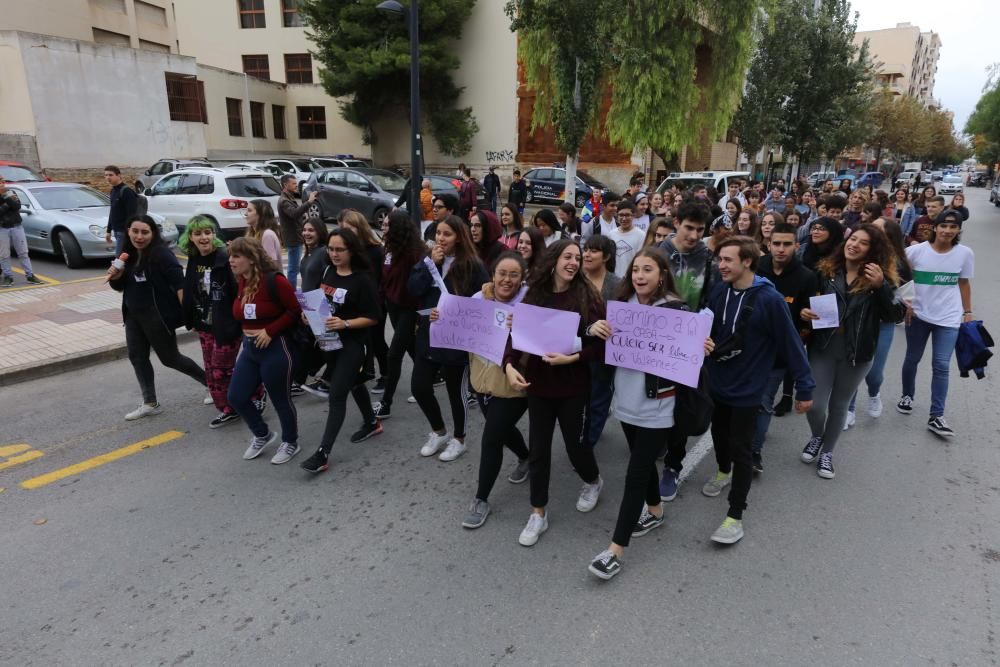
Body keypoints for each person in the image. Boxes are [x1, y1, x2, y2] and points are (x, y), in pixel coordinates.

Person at [585, 248, 714, 580]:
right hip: (625, 404)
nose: (640, 276)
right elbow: (600, 350)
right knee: (639, 463)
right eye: (636, 270)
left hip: (660, 405)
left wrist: (700, 348)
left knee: (635, 475)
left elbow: (688, 359)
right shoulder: (620, 308)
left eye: (648, 270)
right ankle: (655, 511)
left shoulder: (677, 310)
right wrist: (593, 330)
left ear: (662, 275)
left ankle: (615, 550)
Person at [702, 236, 814, 544]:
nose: (720, 265)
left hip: (750, 388)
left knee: (742, 449)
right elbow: (708, 327)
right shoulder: (719, 290)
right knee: (718, 435)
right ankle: (722, 471)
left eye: (727, 260)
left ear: (747, 262)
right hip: (718, 381)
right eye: (719, 259)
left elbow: (792, 344)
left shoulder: (770, 299)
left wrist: (804, 387)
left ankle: (734, 516)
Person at [503, 239, 605, 547]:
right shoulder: (534, 295)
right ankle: (538, 513)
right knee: (539, 449)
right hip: (539, 385)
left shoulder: (588, 297)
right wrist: (508, 365)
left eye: (577, 257)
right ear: (553, 260)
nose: (574, 262)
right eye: (568, 256)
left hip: (573, 386)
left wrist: (572, 358)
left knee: (575, 447)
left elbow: (600, 346)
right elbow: (514, 335)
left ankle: (592, 481)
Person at [798, 224, 904, 477]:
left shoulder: (882, 279)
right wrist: (804, 313)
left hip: (857, 352)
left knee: (839, 405)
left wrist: (881, 287)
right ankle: (817, 436)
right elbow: (807, 303)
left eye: (863, 242)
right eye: (852, 239)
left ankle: (827, 452)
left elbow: (895, 315)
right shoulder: (825, 271)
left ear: (873, 250)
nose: (854, 244)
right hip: (823, 346)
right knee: (814, 405)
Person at [299, 229, 383, 473]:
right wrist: (309, 315)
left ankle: (322, 453)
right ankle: (371, 422)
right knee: (354, 383)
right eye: (331, 249)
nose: (334, 254)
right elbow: (317, 301)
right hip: (328, 340)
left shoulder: (363, 280)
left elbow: (374, 317)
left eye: (339, 250)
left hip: (354, 345)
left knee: (337, 394)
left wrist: (345, 323)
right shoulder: (327, 272)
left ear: (351, 251)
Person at [108, 215, 207, 420]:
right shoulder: (128, 254)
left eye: (145, 232)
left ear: (153, 234)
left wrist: (191, 316)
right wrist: (116, 277)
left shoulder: (162, 255)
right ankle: (150, 402)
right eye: (135, 231)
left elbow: (180, 285)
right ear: (128, 231)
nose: (139, 236)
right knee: (137, 357)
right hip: (133, 316)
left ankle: (212, 385)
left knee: (170, 359)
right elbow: (120, 286)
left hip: (157, 317)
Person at [408, 216, 489, 461]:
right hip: (428, 335)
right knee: (420, 387)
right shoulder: (428, 260)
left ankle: (459, 438)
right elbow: (413, 289)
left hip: (457, 339)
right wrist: (427, 264)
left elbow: (483, 298)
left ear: (459, 237)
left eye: (447, 234)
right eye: (438, 234)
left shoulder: (472, 265)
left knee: (457, 392)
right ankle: (439, 431)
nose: (441, 239)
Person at [460, 252, 532, 529]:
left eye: (514, 274)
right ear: (493, 274)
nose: (507, 279)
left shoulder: (530, 302)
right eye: (502, 273)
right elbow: (461, 327)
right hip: (483, 380)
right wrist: (441, 318)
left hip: (515, 384)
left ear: (522, 278)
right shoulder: (479, 300)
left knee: (491, 437)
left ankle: (481, 499)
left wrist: (523, 325)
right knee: (498, 427)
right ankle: (527, 457)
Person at [180, 216, 265, 429]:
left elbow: (242, 288)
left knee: (221, 371)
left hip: (226, 325)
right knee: (211, 370)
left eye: (208, 232)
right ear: (190, 237)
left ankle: (247, 398)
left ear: (214, 235)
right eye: (198, 233)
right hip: (204, 325)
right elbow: (191, 289)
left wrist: (242, 320)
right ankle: (230, 405)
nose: (204, 237)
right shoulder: (193, 258)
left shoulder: (224, 259)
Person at [897, 208, 974, 437]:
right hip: (918, 315)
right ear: (935, 227)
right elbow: (900, 276)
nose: (948, 230)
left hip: (949, 317)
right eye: (944, 226)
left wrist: (967, 311)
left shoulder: (965, 253)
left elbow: (963, 283)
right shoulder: (915, 251)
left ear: (959, 229)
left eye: (953, 227)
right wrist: (907, 304)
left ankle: (936, 415)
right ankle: (907, 394)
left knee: (941, 365)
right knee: (913, 358)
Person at [655, 201, 714, 499]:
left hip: (689, 344)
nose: (693, 235)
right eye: (688, 227)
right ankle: (659, 440)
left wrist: (706, 330)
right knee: (656, 399)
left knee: (681, 406)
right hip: (654, 339)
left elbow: (711, 299)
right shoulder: (658, 253)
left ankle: (673, 465)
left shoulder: (708, 257)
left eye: (700, 230)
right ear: (676, 222)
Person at [227, 237, 302, 464]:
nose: (231, 260)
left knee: (280, 398)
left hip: (275, 347)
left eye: (236, 256)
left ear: (251, 259)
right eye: (230, 255)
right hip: (250, 350)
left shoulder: (275, 281)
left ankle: (290, 441)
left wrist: (270, 331)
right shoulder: (242, 281)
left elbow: (294, 310)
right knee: (236, 397)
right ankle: (262, 434)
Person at [845, 217, 913, 423]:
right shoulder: (852, 258)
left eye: (875, 228)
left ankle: (874, 394)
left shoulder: (898, 264)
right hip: (856, 323)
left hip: (883, 325)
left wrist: (883, 287)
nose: (869, 230)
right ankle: (849, 409)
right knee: (853, 365)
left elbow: (904, 301)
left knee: (873, 373)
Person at [372, 211, 425, 420]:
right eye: (383, 224)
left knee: (394, 354)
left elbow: (420, 284)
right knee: (411, 346)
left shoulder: (415, 252)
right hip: (392, 305)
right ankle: (428, 377)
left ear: (398, 228)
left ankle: (386, 403)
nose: (383, 227)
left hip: (409, 309)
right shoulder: (388, 249)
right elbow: (385, 280)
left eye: (387, 225)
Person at [339, 210, 388, 391]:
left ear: (360, 228)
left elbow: (379, 279)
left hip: (374, 302)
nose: (346, 233)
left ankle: (386, 373)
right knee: (364, 340)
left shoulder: (374, 250)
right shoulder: (351, 250)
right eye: (344, 229)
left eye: (350, 229)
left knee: (376, 339)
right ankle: (368, 371)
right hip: (356, 302)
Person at [582, 235, 621, 449]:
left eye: (593, 251)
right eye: (585, 249)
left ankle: (589, 440)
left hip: (605, 353)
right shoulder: (574, 278)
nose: (587, 254)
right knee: (581, 395)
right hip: (577, 348)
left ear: (606, 257)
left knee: (598, 396)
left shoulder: (618, 284)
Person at [292, 217, 331, 395]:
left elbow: (327, 279)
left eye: (311, 230)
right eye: (305, 230)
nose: (306, 233)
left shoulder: (324, 252)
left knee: (327, 345)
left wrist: (315, 308)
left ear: (320, 232)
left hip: (320, 304)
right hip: (308, 304)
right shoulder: (308, 252)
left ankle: (329, 381)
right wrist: (303, 308)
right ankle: (301, 379)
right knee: (308, 346)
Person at [277, 174, 318, 288]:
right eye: (294, 184)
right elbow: (294, 213)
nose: (296, 186)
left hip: (295, 237)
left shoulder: (289, 197)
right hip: (293, 238)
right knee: (293, 269)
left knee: (294, 267)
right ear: (285, 185)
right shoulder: (284, 200)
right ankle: (292, 292)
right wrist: (309, 202)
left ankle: (292, 291)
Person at [0, 178, 42, 286]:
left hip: (17, 226)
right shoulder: (9, 195)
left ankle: (30, 275)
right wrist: (7, 203)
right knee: (4, 254)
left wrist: (5, 197)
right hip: (2, 228)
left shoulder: (11, 192)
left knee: (23, 252)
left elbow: (17, 206)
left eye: (1, 182)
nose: (1, 184)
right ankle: (8, 276)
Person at [104, 165, 138, 256]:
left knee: (119, 257)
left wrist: (129, 231)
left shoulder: (127, 191)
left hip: (124, 231)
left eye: (110, 175)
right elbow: (113, 212)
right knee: (124, 257)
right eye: (106, 175)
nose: (108, 177)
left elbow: (132, 214)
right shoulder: (113, 191)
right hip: (116, 230)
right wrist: (108, 230)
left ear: (118, 175)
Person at [607, 201, 645, 278]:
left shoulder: (641, 235)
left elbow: (641, 260)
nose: (624, 218)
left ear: (633, 215)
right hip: (614, 278)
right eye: (621, 215)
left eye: (627, 215)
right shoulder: (611, 234)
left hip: (631, 278)